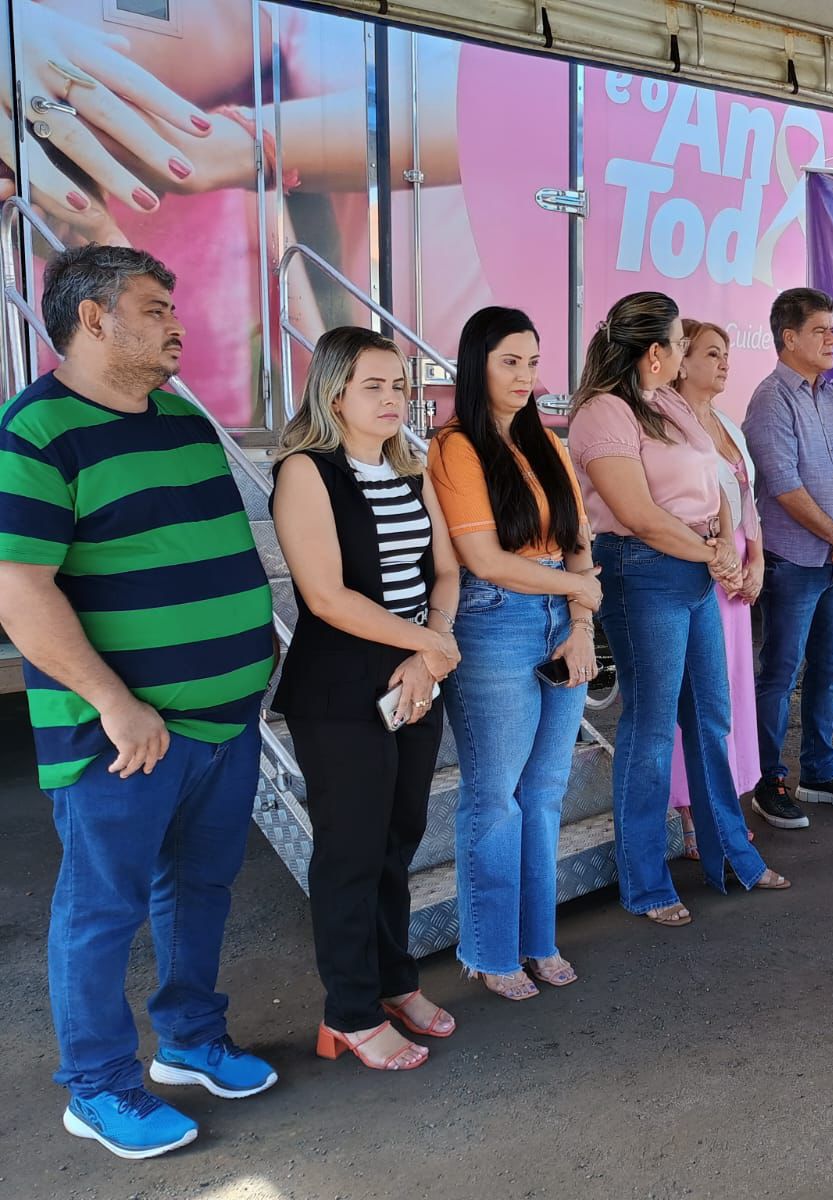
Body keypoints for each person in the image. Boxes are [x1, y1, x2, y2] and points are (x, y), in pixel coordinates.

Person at [0, 245, 277, 1158]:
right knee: (101, 909)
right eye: (156, 307)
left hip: (223, 723)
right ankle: (99, 1087)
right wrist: (114, 702)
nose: (177, 324)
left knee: (200, 888)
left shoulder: (182, 423)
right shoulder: (36, 433)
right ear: (92, 318)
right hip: (123, 735)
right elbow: (20, 591)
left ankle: (191, 1042)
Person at [566, 291, 789, 927]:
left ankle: (732, 857)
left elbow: (717, 482)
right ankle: (646, 881)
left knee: (711, 716)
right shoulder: (601, 414)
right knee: (653, 727)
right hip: (643, 571)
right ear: (656, 351)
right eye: (679, 342)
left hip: (691, 565)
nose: (688, 353)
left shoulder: (665, 403)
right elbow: (634, 514)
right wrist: (713, 554)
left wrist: (720, 543)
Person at [271, 327, 461, 1067]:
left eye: (398, 385)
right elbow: (325, 597)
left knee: (396, 842)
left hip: (416, 677)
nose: (391, 399)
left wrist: (430, 645)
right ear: (336, 393)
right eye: (373, 386)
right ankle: (348, 1013)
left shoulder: (412, 469)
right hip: (343, 689)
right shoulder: (305, 472)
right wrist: (425, 646)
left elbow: (444, 572)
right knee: (349, 852)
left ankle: (392, 983)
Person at [428, 306, 598, 997]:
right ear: (478, 364)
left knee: (546, 793)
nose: (526, 376)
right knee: (494, 797)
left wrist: (581, 626)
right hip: (493, 621)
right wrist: (576, 588)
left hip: (563, 618)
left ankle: (538, 941)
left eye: (533, 362)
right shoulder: (455, 446)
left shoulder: (550, 444)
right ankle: (490, 949)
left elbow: (583, 544)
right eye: (510, 362)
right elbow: (484, 559)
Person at [742, 287, 833, 826]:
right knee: (779, 671)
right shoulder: (771, 399)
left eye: (832, 328)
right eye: (820, 329)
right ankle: (766, 779)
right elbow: (782, 484)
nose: (832, 338)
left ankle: (819, 770)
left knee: (830, 667)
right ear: (788, 337)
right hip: (793, 560)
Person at [664, 319, 764, 846]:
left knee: (730, 694)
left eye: (726, 353)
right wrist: (721, 561)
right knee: (697, 695)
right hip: (701, 573)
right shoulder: (669, 427)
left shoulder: (729, 424)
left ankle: (726, 801)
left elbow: (748, 502)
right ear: (681, 361)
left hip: (739, 578)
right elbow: (674, 508)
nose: (724, 362)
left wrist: (758, 564)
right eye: (711, 353)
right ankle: (692, 813)